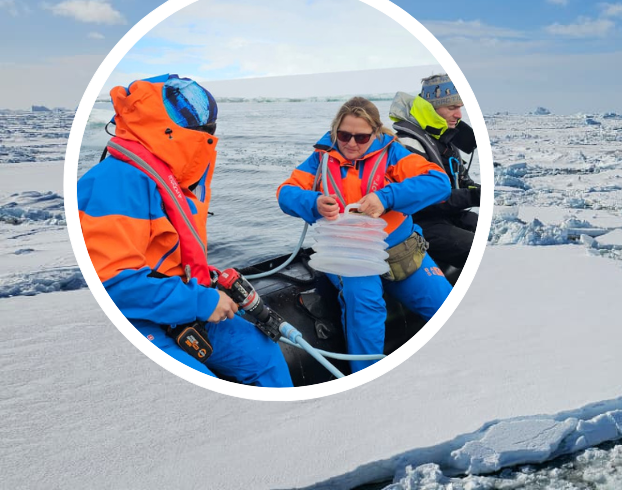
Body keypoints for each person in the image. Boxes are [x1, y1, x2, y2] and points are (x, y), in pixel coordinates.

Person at [78, 75, 292, 387]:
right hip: (135, 319)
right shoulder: (114, 181)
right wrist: (202, 302)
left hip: (178, 303)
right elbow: (111, 285)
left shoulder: (165, 174)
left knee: (264, 355)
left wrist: (203, 287)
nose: (208, 132)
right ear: (167, 126)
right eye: (202, 126)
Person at [277, 96, 452, 372]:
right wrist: (314, 202)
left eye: (361, 137)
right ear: (335, 131)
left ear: (375, 133)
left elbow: (439, 182)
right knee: (366, 308)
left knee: (446, 305)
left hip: (400, 252)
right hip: (350, 257)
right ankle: (366, 380)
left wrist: (386, 197)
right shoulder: (321, 158)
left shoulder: (393, 153)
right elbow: (286, 193)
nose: (351, 143)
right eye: (344, 135)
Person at [389, 74, 480, 277]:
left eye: (460, 108)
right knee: (476, 249)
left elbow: (462, 181)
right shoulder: (407, 144)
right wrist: (474, 196)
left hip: (447, 216)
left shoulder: (444, 139)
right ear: (431, 107)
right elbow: (425, 200)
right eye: (452, 108)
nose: (459, 115)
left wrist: (476, 191)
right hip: (418, 224)